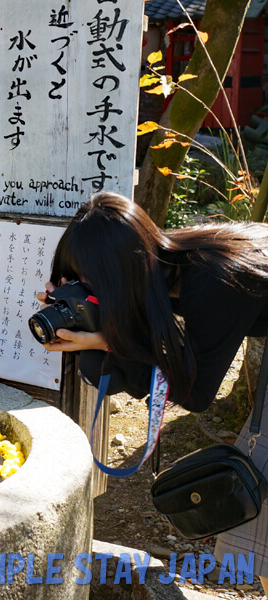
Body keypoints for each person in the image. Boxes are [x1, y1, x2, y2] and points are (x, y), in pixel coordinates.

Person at [36, 192, 268, 588]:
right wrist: (81, 310)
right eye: (75, 280)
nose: (86, 291)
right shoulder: (162, 263)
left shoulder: (212, 279)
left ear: (119, 271)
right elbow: (162, 349)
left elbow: (196, 394)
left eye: (90, 282)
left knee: (260, 514)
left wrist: (108, 341)